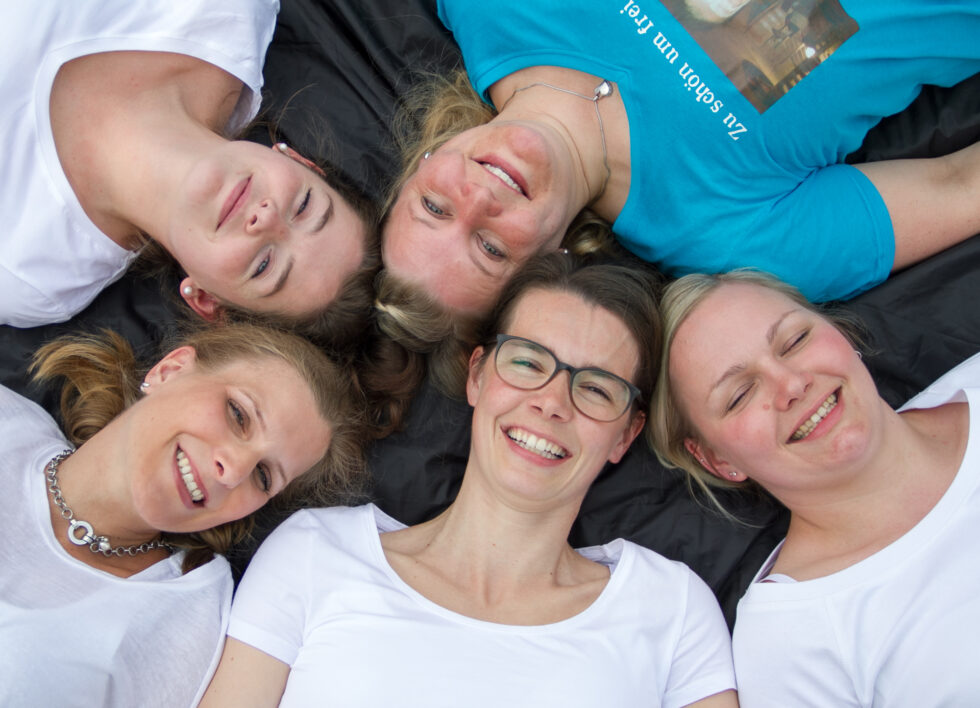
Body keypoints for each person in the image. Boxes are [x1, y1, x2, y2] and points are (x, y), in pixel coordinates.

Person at [199, 253, 737, 707]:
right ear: (478, 375)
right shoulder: (314, 552)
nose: (551, 403)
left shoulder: (670, 607)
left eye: (596, 389)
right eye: (528, 363)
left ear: (625, 434)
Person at [378, 0, 980, 344]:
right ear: (546, 266)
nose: (478, 200)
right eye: (487, 247)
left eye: (434, 208)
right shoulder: (732, 237)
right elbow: (959, 188)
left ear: (421, 165)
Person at [649, 269, 980, 705]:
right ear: (717, 460)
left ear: (841, 333)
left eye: (794, 341)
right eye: (740, 394)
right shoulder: (791, 638)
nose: (791, 384)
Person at [0, 322, 366, 707]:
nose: (235, 469)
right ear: (168, 370)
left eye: (263, 475)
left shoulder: (186, 616)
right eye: (238, 415)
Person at [0, 0, 376, 340]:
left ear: (206, 299)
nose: (267, 220)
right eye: (304, 207)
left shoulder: (30, 273)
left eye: (263, 265)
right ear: (297, 159)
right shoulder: (226, 13)